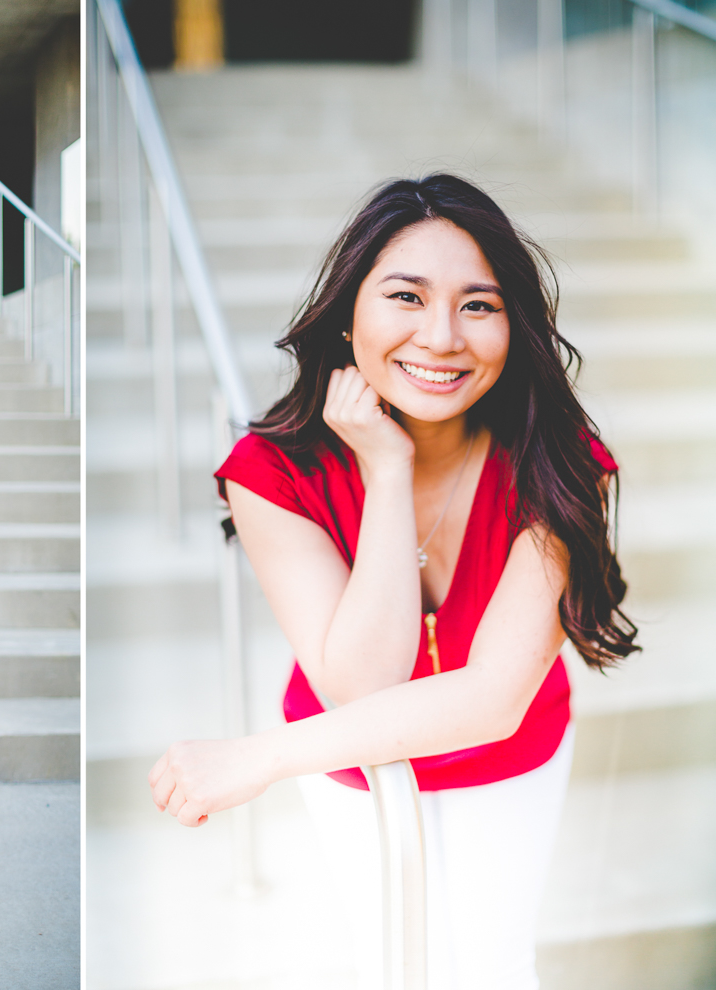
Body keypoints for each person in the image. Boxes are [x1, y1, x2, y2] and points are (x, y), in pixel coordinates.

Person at [148, 174, 637, 987]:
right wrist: (385, 470)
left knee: (492, 966)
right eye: (406, 296)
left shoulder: (559, 465)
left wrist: (262, 758)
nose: (443, 336)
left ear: (515, 326)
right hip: (354, 765)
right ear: (349, 314)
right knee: (392, 963)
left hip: (511, 754)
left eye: (478, 305)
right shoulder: (270, 474)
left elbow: (493, 699)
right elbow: (364, 685)